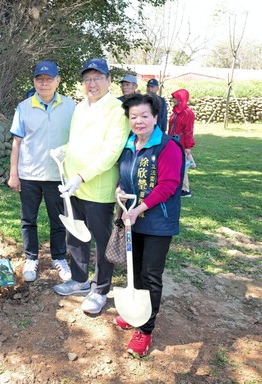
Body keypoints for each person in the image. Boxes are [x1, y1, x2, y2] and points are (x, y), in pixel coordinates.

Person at [51, 58, 130, 315]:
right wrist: (62, 152)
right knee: (74, 234)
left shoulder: (117, 110)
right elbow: (76, 143)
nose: (92, 84)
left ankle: (100, 289)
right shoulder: (80, 107)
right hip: (73, 186)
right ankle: (80, 279)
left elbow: (110, 152)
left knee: (101, 239)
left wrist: (81, 177)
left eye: (97, 78)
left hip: (97, 188)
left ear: (108, 80)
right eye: (87, 79)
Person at [115, 93, 184, 357]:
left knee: (150, 276)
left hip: (157, 222)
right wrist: (119, 190)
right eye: (134, 116)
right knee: (133, 272)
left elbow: (168, 185)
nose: (139, 121)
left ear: (156, 117)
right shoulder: (129, 143)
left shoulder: (168, 147)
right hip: (133, 220)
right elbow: (125, 177)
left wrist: (139, 209)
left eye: (145, 115)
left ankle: (145, 329)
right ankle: (135, 314)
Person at [8, 60, 76, 282]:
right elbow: (17, 143)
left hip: (58, 175)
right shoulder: (24, 107)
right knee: (29, 219)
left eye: (49, 79)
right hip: (29, 175)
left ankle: (59, 257)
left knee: (59, 219)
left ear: (58, 81)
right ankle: (31, 258)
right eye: (40, 79)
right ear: (34, 81)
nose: (44, 83)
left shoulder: (71, 107)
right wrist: (13, 174)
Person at [168, 89, 195, 197]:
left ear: (180, 99)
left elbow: (188, 130)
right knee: (175, 165)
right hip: (173, 142)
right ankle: (178, 186)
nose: (172, 99)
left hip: (181, 143)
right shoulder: (176, 111)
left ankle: (185, 189)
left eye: (175, 97)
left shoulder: (187, 113)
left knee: (181, 165)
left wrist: (188, 146)